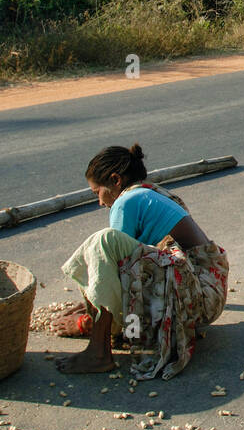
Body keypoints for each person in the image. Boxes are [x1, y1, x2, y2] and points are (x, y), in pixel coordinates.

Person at [56, 143, 229, 379]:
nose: (100, 202)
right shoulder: (151, 192)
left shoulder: (126, 202)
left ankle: (98, 351)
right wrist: (92, 299)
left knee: (103, 242)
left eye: (97, 192)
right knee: (109, 252)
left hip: (197, 299)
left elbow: (116, 269)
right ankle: (101, 326)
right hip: (208, 295)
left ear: (116, 180)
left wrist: (87, 318)